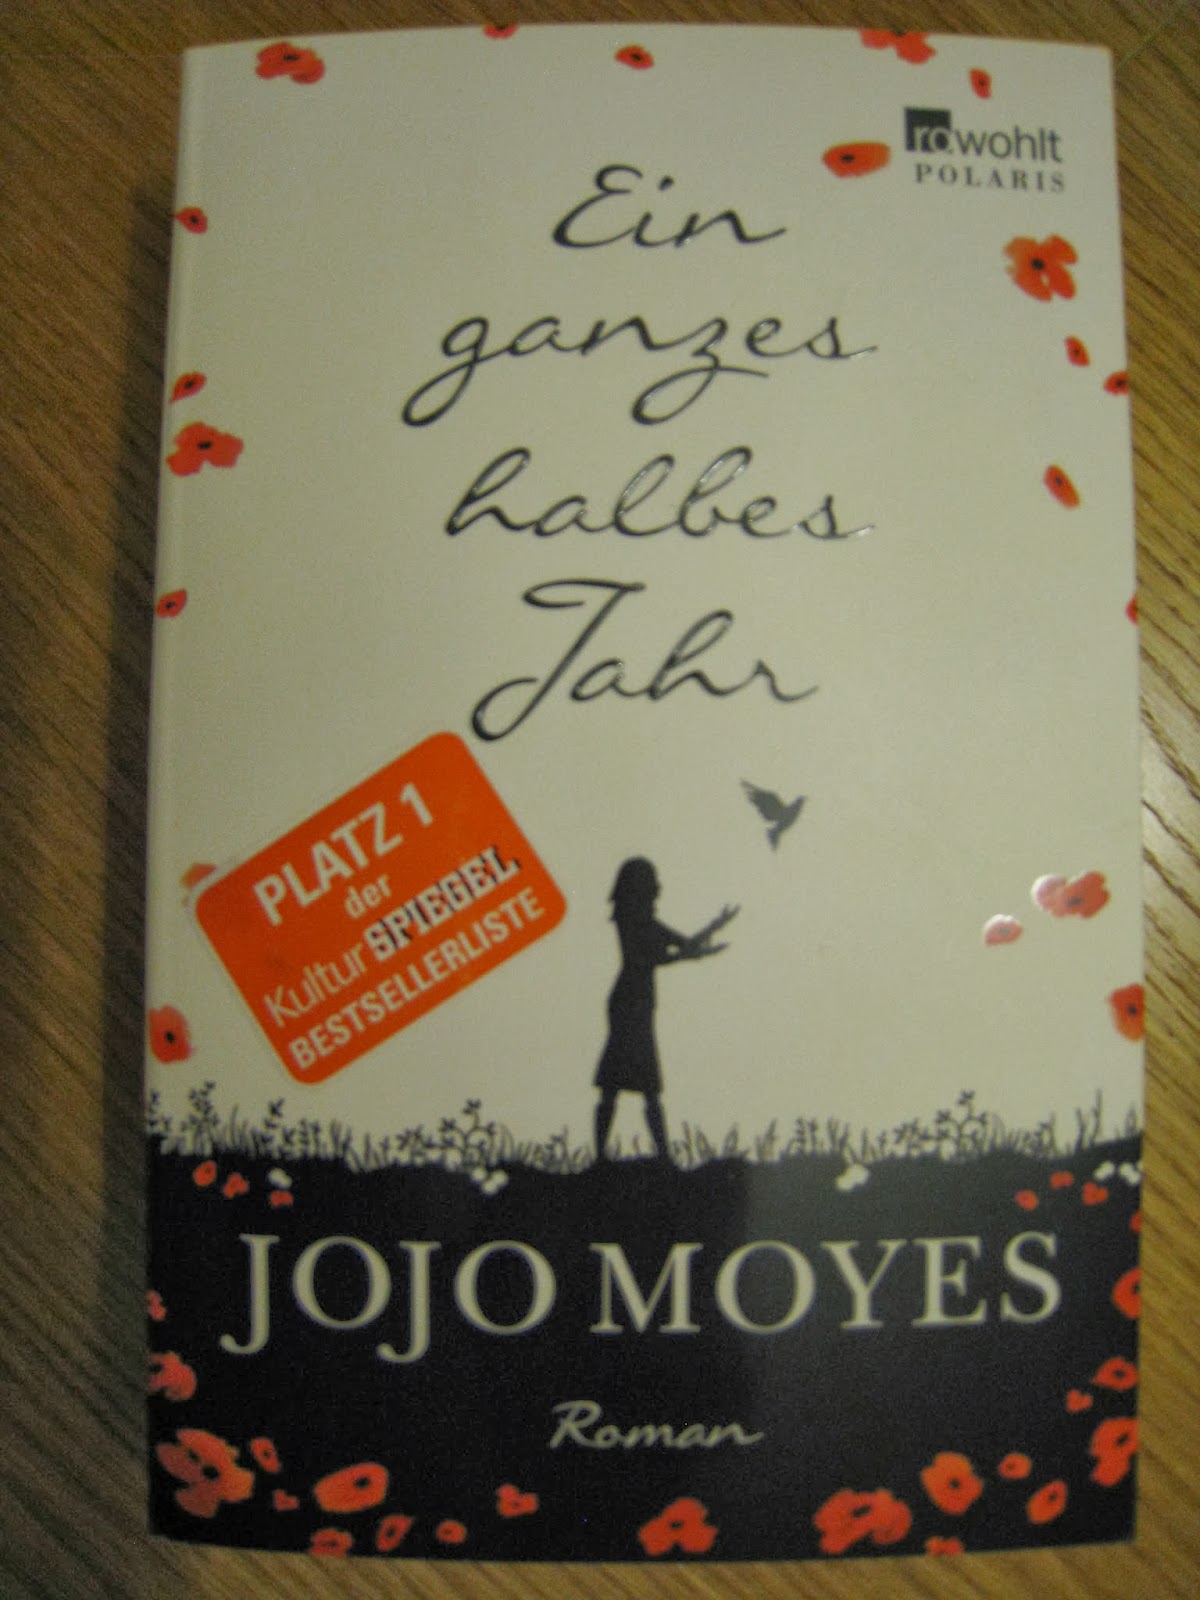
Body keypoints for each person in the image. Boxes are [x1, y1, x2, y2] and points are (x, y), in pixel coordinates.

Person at [593, 857, 737, 1163]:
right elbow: (643, 959)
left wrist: (715, 926)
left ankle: (657, 1156)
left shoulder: (644, 921)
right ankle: (632, 1156)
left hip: (639, 1002)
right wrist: (687, 955)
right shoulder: (631, 920)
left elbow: (683, 943)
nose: (658, 888)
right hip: (629, 1002)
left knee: (637, 1083)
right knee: (625, 1081)